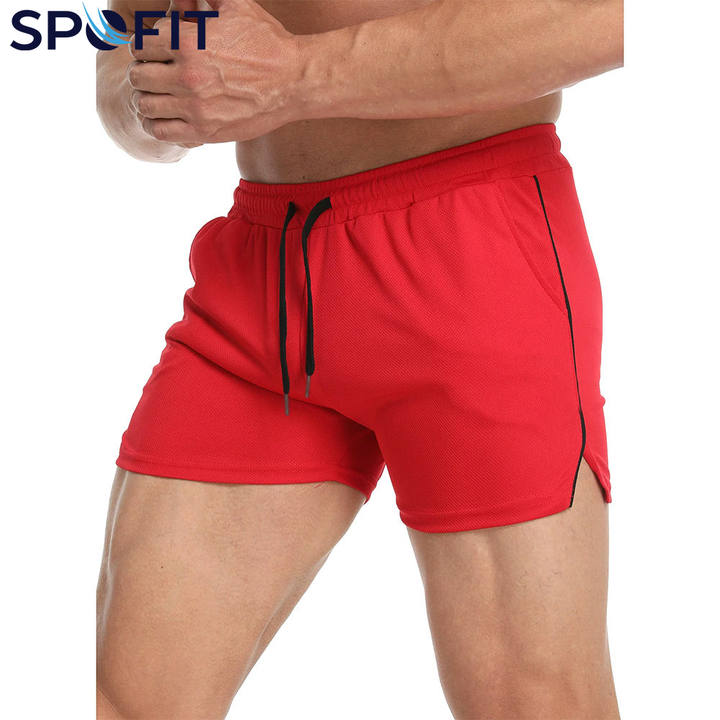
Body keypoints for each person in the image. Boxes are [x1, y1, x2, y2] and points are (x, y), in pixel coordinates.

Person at [95, 0, 624, 717]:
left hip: (468, 254)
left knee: (535, 704)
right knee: (123, 696)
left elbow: (616, 17)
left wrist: (297, 74)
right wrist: (152, 99)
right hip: (261, 275)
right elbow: (124, 48)